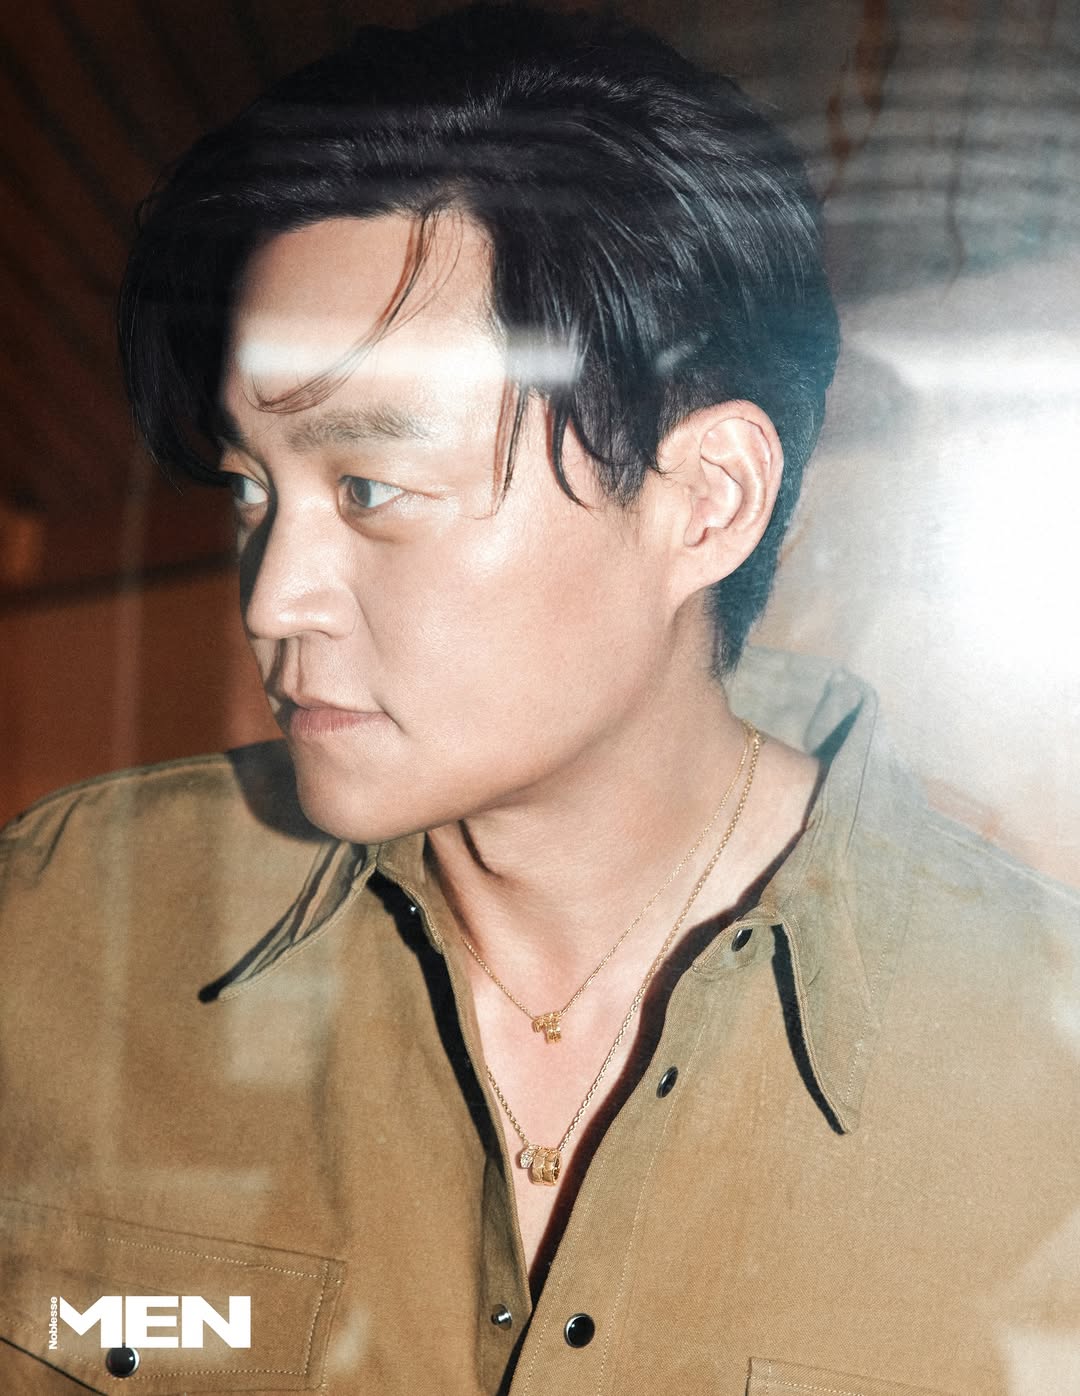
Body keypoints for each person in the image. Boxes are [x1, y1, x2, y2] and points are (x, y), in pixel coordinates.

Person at [1, 7, 1076, 1394]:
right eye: (255, 492)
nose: (272, 600)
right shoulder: (53, 934)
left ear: (705, 503)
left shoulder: (1040, 1064)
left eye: (372, 488)